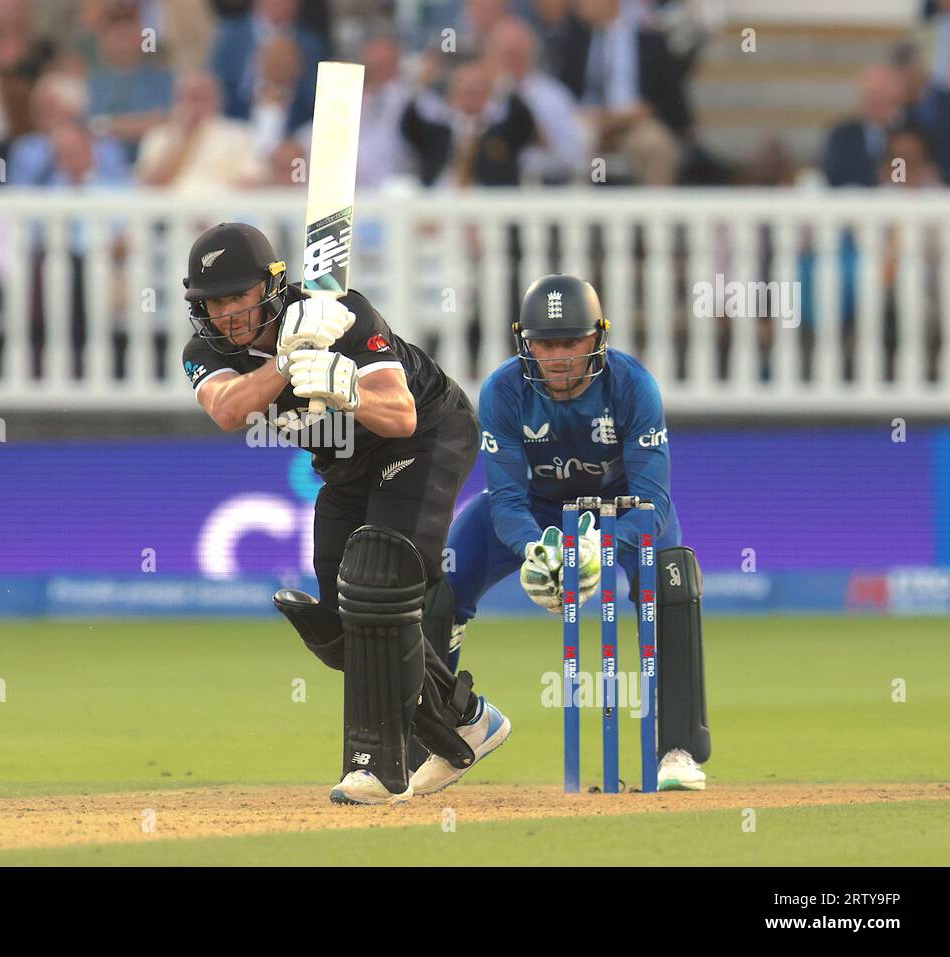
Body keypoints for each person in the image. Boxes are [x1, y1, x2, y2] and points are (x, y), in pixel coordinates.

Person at [180, 222, 510, 804]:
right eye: (213, 303)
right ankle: (467, 722)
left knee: (380, 581)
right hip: (346, 468)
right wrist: (290, 361)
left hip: (428, 438)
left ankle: (378, 769)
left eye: (238, 296)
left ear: (271, 285)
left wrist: (347, 388)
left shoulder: (343, 313)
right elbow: (230, 411)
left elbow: (402, 414)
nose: (227, 313)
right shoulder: (203, 353)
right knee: (341, 623)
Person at [446, 274, 711, 791]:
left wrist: (595, 546)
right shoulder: (504, 389)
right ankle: (438, 734)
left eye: (572, 342)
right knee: (445, 579)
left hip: (623, 511)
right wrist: (538, 550)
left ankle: (675, 750)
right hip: (539, 512)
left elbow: (653, 500)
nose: (560, 356)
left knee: (673, 579)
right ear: (527, 342)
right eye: (546, 343)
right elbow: (505, 498)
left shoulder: (633, 385)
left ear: (597, 338)